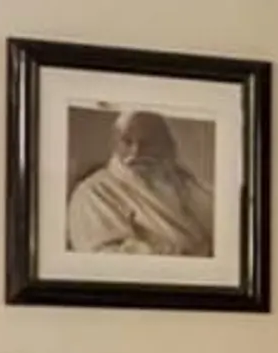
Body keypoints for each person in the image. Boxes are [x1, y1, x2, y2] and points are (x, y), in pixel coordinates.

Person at [65, 108, 216, 258]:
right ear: (115, 145)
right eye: (127, 142)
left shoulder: (186, 184)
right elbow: (105, 258)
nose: (136, 152)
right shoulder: (94, 192)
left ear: (168, 145)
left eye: (149, 142)